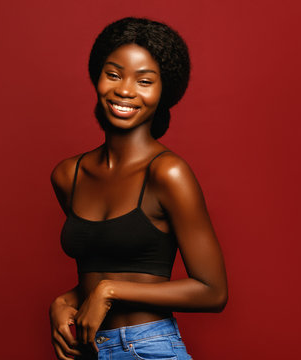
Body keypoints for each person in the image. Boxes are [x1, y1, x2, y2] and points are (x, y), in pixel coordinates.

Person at [49, 17, 228, 360]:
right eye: (114, 74)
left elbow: (213, 291)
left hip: (148, 349)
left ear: (163, 93)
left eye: (144, 81)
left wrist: (109, 291)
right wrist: (64, 301)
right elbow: (110, 264)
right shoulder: (68, 175)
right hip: (89, 352)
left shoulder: (168, 173)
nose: (125, 90)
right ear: (97, 78)